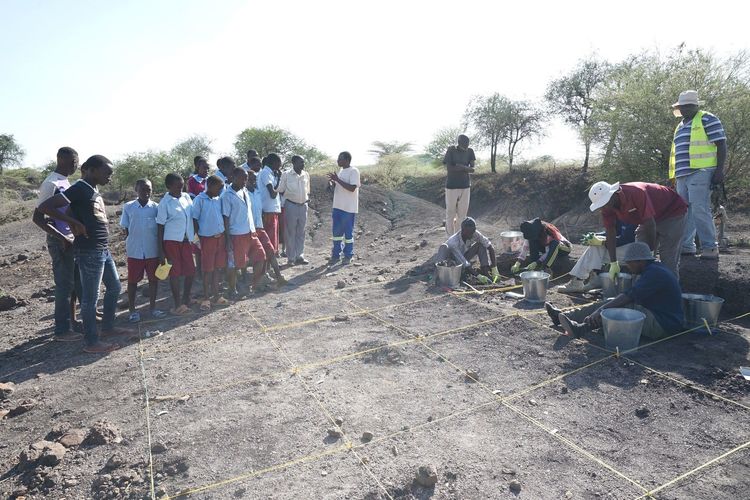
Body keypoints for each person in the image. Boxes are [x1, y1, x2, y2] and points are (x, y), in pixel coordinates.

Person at [37, 155, 130, 354]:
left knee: (114, 287)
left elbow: (70, 211)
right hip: (89, 251)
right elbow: (46, 208)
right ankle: (91, 342)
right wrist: (76, 225)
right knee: (90, 298)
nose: (110, 177)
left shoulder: (92, 190)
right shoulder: (78, 188)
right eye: (107, 173)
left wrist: (72, 220)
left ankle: (108, 328)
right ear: (92, 170)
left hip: (102, 249)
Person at [546, 242, 684, 341]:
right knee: (611, 303)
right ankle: (562, 316)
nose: (628, 266)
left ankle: (581, 328)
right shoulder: (654, 269)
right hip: (657, 316)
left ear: (640, 260)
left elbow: (629, 296)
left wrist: (599, 311)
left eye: (629, 262)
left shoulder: (655, 274)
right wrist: (601, 308)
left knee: (615, 307)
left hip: (663, 325)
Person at [669, 90, 727, 260]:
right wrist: (673, 176)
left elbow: (721, 144)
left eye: (687, 106)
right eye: (682, 106)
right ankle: (687, 245)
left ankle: (710, 247)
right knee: (684, 210)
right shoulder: (680, 126)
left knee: (700, 208)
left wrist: (719, 170)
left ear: (695, 105)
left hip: (701, 171)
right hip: (682, 175)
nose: (684, 109)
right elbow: (675, 153)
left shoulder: (707, 118)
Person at [32, 147, 83, 341]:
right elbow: (38, 217)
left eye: (76, 162)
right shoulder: (50, 183)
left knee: (74, 283)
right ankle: (61, 330)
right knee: (64, 285)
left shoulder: (65, 181)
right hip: (60, 241)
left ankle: (72, 320)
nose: (75, 165)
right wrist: (62, 237)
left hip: (70, 238)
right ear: (60, 160)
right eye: (72, 162)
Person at [588, 181, 687, 279]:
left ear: (613, 194)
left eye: (605, 202)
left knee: (668, 258)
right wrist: (614, 263)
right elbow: (610, 231)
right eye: (601, 204)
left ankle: (669, 291)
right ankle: (642, 290)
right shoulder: (607, 207)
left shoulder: (636, 193)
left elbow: (650, 224)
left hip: (672, 212)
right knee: (638, 257)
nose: (604, 207)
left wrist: (650, 251)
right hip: (649, 219)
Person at [120, 179, 165, 322]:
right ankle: (132, 310)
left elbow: (160, 229)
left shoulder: (156, 208)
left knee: (153, 280)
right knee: (133, 281)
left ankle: (153, 308)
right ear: (136, 190)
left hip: (152, 250)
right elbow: (126, 228)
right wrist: (132, 242)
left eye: (149, 189)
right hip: (135, 251)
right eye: (143, 189)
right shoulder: (128, 207)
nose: (146, 192)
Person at [222, 167, 266, 297]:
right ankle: (232, 289)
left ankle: (252, 285)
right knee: (236, 264)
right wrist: (228, 239)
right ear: (234, 178)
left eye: (246, 178)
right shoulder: (227, 195)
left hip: (250, 232)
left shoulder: (245, 191)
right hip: (237, 234)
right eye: (243, 178)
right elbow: (226, 218)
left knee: (261, 257)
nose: (245, 181)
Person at [559, 221, 637, 293]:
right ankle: (595, 278)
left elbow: (626, 239)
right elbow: (611, 232)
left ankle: (578, 281)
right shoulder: (619, 214)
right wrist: (595, 236)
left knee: (597, 247)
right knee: (596, 246)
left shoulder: (631, 214)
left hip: (635, 250)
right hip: (624, 247)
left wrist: (603, 242)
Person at [156, 173, 195, 315]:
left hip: (186, 240)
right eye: (177, 186)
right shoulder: (165, 203)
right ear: (169, 186)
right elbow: (160, 227)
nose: (180, 188)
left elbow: (192, 217)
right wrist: (161, 252)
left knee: (191, 270)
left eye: (182, 185)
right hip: (172, 241)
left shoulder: (186, 197)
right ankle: (178, 305)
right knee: (175, 273)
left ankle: (186, 298)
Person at [192, 175, 230, 310]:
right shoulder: (199, 200)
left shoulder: (218, 199)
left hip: (220, 238)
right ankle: (206, 297)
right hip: (207, 239)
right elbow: (194, 219)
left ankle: (216, 295)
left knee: (217, 268)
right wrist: (197, 239)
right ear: (211, 186)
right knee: (207, 269)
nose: (221, 190)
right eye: (219, 188)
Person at [247, 170, 287, 285]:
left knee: (270, 251)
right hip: (249, 230)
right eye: (250, 180)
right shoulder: (243, 194)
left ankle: (279, 277)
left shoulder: (257, 193)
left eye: (254, 179)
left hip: (260, 227)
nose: (253, 182)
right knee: (256, 256)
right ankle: (255, 281)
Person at [328, 151, 360, 265]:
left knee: (348, 234)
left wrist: (337, 180)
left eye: (340, 159)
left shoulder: (354, 171)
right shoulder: (341, 171)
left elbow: (352, 188)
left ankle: (348, 255)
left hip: (348, 208)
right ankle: (336, 255)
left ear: (347, 160)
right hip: (337, 207)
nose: (338, 161)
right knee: (336, 233)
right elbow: (340, 187)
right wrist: (332, 184)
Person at [278, 155, 311, 266]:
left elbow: (308, 191)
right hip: (291, 205)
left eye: (303, 162)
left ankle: (300, 256)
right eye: (301, 162)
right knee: (290, 232)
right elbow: (281, 190)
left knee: (301, 232)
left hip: (303, 206)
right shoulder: (286, 175)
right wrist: (291, 196)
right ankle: (291, 258)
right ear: (294, 163)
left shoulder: (306, 175)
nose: (303, 164)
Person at [443, 135, 476, 236]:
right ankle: (449, 237)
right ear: (459, 142)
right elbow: (449, 168)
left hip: (465, 186)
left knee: (462, 214)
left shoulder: (470, 151)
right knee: (450, 213)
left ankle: (459, 236)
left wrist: (460, 166)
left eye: (468, 143)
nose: (467, 145)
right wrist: (466, 168)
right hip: (451, 186)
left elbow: (473, 168)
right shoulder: (451, 150)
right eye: (465, 143)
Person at [258, 153, 283, 254]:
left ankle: (270, 265)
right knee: (269, 241)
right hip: (268, 210)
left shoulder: (271, 174)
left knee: (273, 240)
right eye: (279, 164)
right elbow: (273, 194)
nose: (279, 167)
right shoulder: (265, 173)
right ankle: (267, 266)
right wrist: (279, 180)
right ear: (274, 163)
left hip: (272, 210)